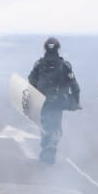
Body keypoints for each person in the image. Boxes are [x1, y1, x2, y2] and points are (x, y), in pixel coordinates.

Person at [27, 37, 81, 165]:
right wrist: (76, 101)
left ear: (45, 48)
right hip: (58, 102)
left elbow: (31, 81)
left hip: (42, 101)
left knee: (44, 123)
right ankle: (51, 147)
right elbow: (74, 85)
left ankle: (46, 145)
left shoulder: (38, 64)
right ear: (58, 49)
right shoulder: (65, 65)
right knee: (56, 127)